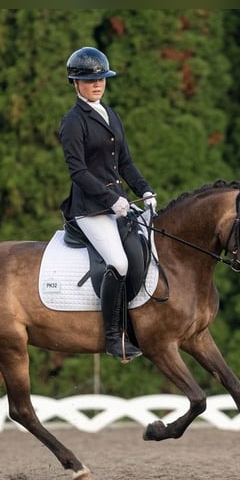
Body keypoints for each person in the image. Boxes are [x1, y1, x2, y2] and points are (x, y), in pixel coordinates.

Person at [59, 46, 157, 362]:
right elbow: (78, 171)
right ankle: (114, 337)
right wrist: (111, 198)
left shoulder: (111, 114)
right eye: (90, 80)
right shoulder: (73, 121)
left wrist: (144, 190)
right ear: (75, 83)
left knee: (151, 244)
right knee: (119, 263)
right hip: (90, 208)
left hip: (118, 204)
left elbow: (125, 162)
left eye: (102, 78)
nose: (97, 84)